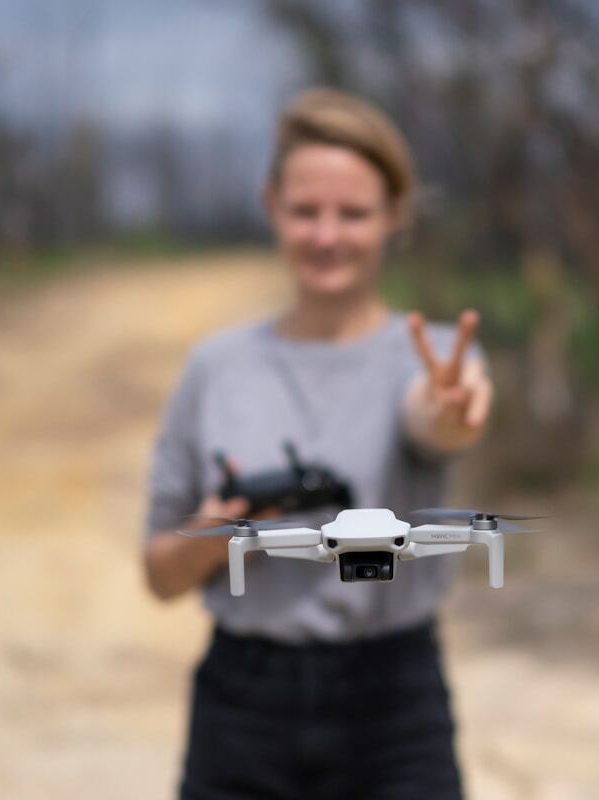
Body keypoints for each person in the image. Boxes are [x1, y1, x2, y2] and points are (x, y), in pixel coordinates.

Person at [142, 88, 492, 800]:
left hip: (393, 700)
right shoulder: (216, 368)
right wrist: (219, 532)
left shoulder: (433, 357)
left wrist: (452, 407)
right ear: (271, 206)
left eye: (353, 213)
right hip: (242, 705)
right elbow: (160, 574)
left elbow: (437, 418)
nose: (327, 236)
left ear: (396, 215)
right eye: (306, 211)